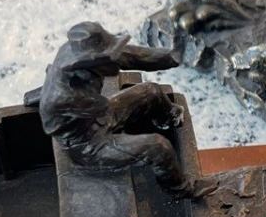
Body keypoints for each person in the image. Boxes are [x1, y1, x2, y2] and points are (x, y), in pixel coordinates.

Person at [36, 22, 196, 188]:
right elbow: (99, 105)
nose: (114, 60)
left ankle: (169, 120)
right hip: (88, 147)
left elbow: (132, 56)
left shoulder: (82, 56)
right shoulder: (65, 96)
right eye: (107, 58)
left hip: (99, 119)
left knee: (151, 91)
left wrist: (173, 56)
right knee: (158, 146)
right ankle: (182, 189)